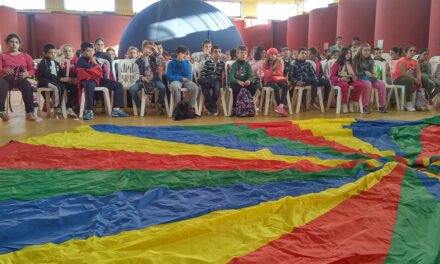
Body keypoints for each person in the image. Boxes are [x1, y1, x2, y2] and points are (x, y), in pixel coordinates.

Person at [77, 42, 128, 120]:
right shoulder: (81, 60)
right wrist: (95, 65)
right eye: (88, 51)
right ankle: (89, 110)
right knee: (90, 86)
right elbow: (92, 68)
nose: (91, 52)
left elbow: (101, 71)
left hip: (97, 79)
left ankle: (116, 109)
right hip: (88, 79)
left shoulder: (93, 58)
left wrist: (95, 66)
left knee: (118, 85)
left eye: (92, 50)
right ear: (82, 52)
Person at [0, 33, 37, 121]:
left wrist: (27, 73)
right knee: (1, 85)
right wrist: (5, 70)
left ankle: (29, 112)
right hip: (6, 78)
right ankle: (1, 111)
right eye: (11, 42)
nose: (14, 44)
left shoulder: (26, 56)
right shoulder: (2, 56)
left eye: (16, 42)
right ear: (7, 44)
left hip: (21, 78)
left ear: (19, 44)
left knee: (27, 86)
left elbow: (33, 70)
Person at [129, 40, 166, 115]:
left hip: (154, 80)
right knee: (132, 89)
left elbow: (162, 63)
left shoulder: (153, 58)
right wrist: (142, 78)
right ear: (143, 48)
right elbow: (136, 74)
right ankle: (139, 106)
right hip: (142, 81)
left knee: (162, 87)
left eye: (151, 49)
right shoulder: (137, 61)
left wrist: (157, 53)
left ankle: (159, 103)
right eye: (148, 48)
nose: (150, 50)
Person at [352, 43, 387, 113]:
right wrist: (364, 72)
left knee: (382, 83)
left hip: (369, 78)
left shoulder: (370, 60)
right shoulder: (356, 59)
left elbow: (371, 71)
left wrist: (373, 74)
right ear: (361, 50)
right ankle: (365, 106)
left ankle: (381, 106)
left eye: (368, 50)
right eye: (365, 50)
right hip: (359, 78)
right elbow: (355, 73)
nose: (367, 52)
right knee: (368, 84)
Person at [166, 45, 200, 112]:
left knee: (195, 88)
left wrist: (183, 62)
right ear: (178, 54)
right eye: (183, 53)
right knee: (175, 87)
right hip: (175, 80)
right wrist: (180, 78)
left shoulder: (187, 63)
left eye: (186, 53)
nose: (185, 55)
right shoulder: (171, 63)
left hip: (186, 81)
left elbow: (189, 77)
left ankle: (189, 108)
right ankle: (178, 108)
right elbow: (169, 76)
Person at [330, 48, 363, 113]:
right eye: (347, 53)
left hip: (349, 81)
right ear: (342, 54)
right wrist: (340, 79)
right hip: (339, 81)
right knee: (345, 85)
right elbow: (332, 76)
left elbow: (353, 74)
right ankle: (344, 104)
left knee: (359, 84)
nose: (349, 55)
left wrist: (355, 77)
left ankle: (352, 102)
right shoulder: (336, 64)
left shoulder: (350, 64)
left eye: (350, 53)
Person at [392, 46, 425, 111]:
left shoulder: (415, 61)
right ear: (405, 52)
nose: (412, 52)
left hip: (409, 78)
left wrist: (418, 78)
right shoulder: (402, 60)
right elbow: (403, 74)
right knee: (409, 80)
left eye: (414, 51)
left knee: (424, 79)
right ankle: (408, 103)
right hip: (398, 79)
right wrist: (414, 79)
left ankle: (421, 102)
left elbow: (418, 71)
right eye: (410, 51)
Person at [37, 43, 65, 117]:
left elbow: (60, 73)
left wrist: (62, 70)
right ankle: (57, 107)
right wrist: (59, 79)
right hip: (45, 81)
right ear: (45, 54)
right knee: (57, 87)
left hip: (54, 81)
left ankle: (58, 105)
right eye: (50, 53)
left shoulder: (56, 63)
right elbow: (47, 74)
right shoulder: (44, 62)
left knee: (62, 87)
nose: (53, 54)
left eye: (54, 52)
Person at [261, 48, 288, 116]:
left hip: (277, 79)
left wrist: (273, 72)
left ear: (276, 55)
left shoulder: (279, 63)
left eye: (274, 54)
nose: (273, 55)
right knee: (275, 87)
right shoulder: (265, 64)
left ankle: (281, 106)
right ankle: (279, 107)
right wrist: (273, 70)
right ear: (268, 55)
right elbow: (267, 75)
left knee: (285, 85)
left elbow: (280, 73)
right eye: (271, 54)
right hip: (268, 81)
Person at [199, 45, 225, 115]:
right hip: (208, 80)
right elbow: (203, 73)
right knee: (204, 87)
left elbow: (224, 75)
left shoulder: (222, 63)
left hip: (217, 80)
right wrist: (203, 79)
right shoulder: (207, 62)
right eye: (215, 52)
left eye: (219, 52)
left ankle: (208, 104)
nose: (217, 53)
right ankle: (213, 106)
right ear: (211, 53)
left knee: (217, 90)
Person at [228, 45, 256, 110]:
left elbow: (251, 77)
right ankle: (235, 107)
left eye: (245, 53)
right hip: (236, 83)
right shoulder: (234, 65)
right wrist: (238, 81)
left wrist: (249, 80)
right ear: (237, 54)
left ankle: (247, 104)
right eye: (242, 53)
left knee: (253, 86)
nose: (244, 54)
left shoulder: (248, 65)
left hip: (245, 83)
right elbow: (230, 77)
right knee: (236, 88)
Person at [60, 43, 79, 117]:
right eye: (65, 51)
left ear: (73, 52)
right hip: (62, 81)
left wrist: (71, 77)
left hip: (73, 81)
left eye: (69, 51)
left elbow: (78, 71)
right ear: (62, 53)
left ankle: (69, 107)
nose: (67, 53)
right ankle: (58, 107)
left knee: (77, 87)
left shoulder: (77, 60)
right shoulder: (60, 61)